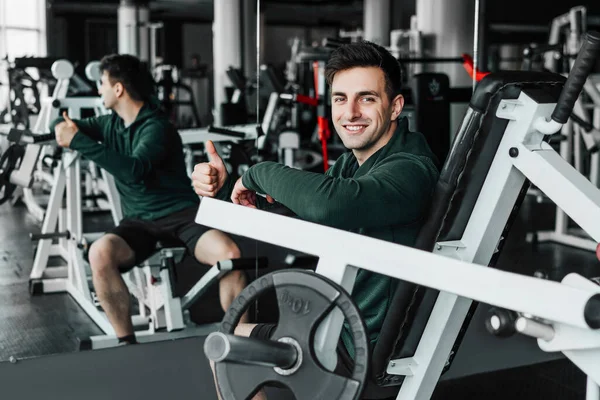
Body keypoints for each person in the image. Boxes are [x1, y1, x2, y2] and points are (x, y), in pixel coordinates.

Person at [192, 40, 440, 397]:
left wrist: (258, 171)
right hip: (340, 320)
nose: (350, 112)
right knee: (232, 341)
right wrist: (227, 183)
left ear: (395, 106)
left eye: (366, 98)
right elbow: (302, 214)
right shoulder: (356, 163)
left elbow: (329, 206)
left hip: (360, 342)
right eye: (340, 99)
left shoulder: (408, 169)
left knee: (228, 347)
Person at [52, 54, 247, 345]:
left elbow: (135, 171)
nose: (99, 90)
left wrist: (77, 140)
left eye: (102, 84)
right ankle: (125, 342)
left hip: (183, 215)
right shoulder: (110, 124)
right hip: (139, 223)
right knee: (99, 254)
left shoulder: (157, 127)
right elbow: (65, 124)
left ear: (118, 89)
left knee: (229, 255)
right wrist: (62, 126)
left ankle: (241, 340)